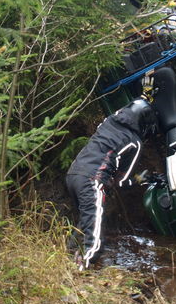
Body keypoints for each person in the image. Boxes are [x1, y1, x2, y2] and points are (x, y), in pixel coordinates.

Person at [65, 98, 158, 269]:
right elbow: (121, 180)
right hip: (92, 181)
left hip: (73, 174)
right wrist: (138, 180)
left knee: (84, 223)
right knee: (94, 237)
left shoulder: (108, 122)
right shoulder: (134, 141)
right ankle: (82, 271)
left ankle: (67, 261)